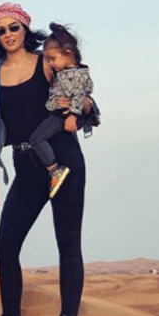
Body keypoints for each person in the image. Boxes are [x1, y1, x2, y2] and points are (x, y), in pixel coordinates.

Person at [0, 2, 88, 316]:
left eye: (14, 27)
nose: (8, 34)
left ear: (25, 28)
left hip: (62, 156)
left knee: (68, 244)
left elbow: (80, 90)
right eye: (0, 30)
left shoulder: (46, 62)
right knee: (5, 245)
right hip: (25, 164)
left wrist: (82, 105)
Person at [29, 23, 94, 199]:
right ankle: (54, 170)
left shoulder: (77, 74)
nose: (50, 63)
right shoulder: (65, 73)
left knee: (36, 139)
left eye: (52, 59)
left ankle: (54, 170)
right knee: (37, 138)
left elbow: (80, 94)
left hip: (64, 116)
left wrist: (73, 115)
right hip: (60, 114)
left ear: (68, 54)